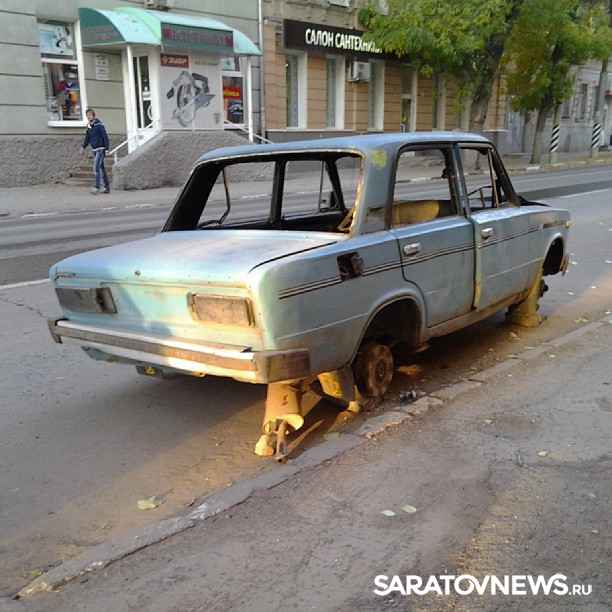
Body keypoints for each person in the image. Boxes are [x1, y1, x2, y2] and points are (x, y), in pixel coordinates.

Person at [81, 108, 110, 194]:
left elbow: (105, 137)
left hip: (100, 149)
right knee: (102, 169)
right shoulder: (89, 127)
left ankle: (96, 187)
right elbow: (87, 138)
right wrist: (83, 147)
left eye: (90, 115)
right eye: (87, 115)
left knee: (96, 168)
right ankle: (107, 187)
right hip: (94, 150)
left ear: (93, 116)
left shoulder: (99, 125)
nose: (89, 117)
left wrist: (106, 149)